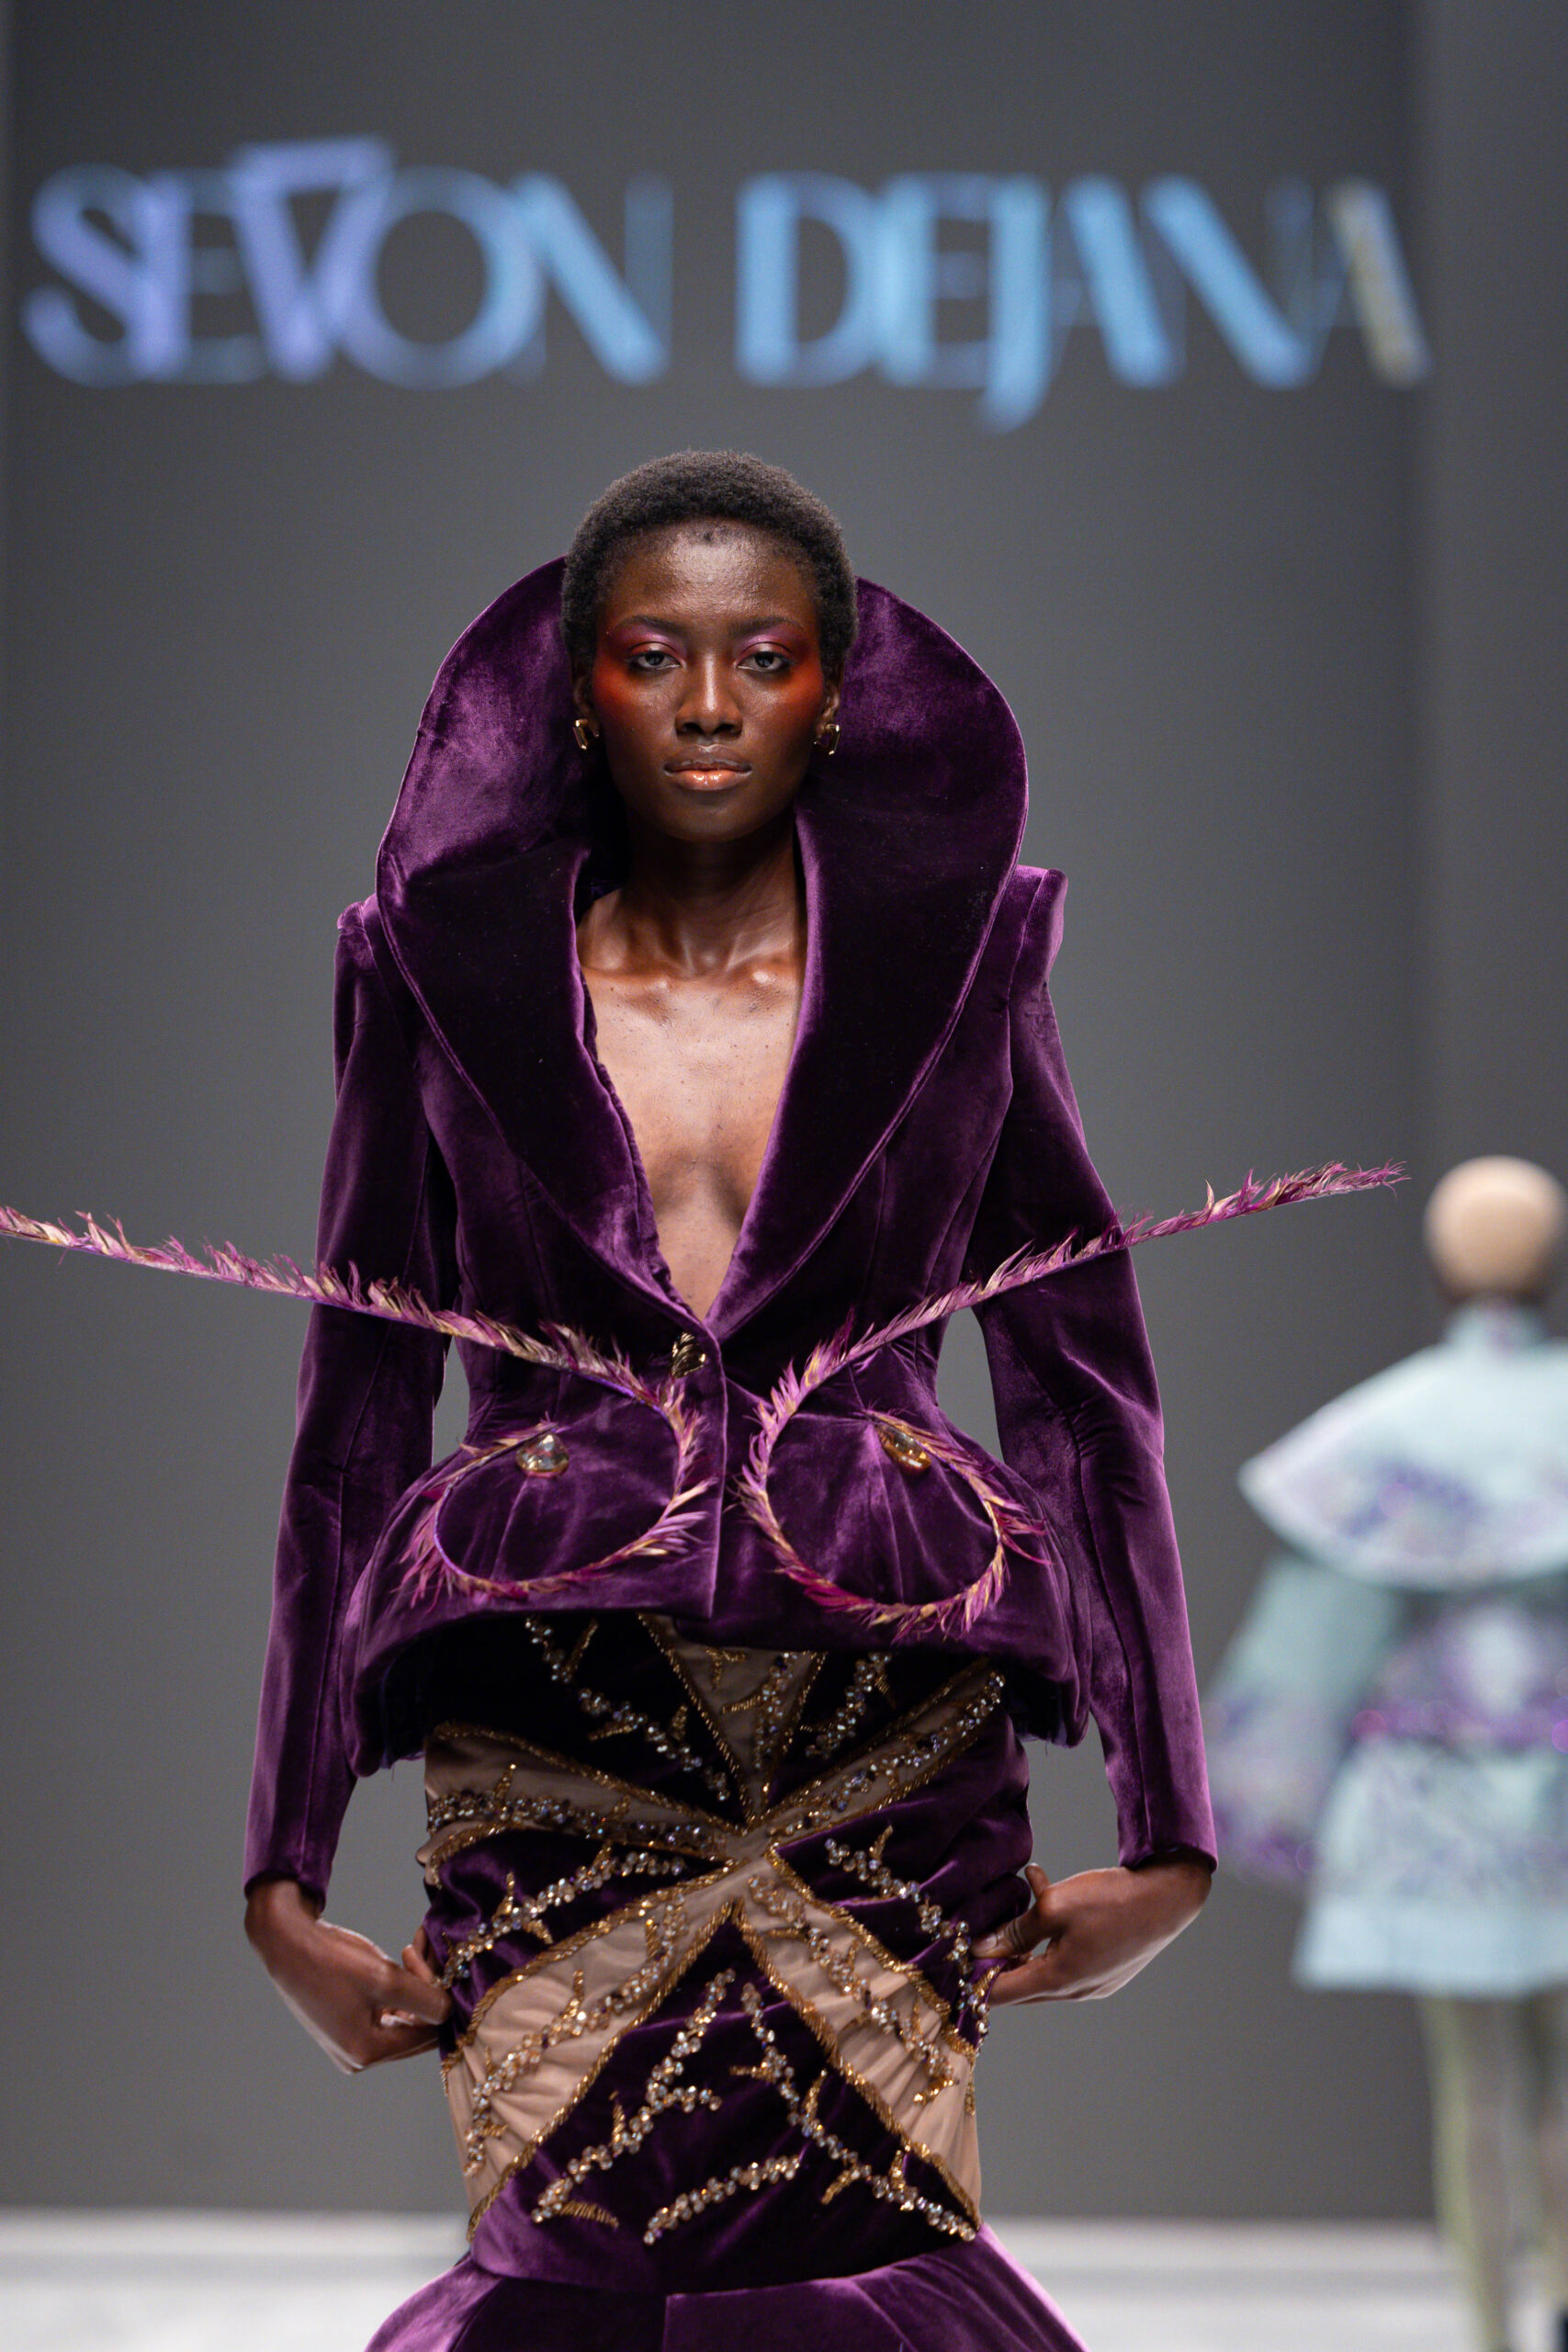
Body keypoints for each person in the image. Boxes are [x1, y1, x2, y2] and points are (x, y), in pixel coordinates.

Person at [241, 450, 1215, 2351]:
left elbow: (1081, 1385)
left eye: (762, 656)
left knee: (853, 2240)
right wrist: (282, 1866)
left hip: (883, 1705)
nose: (706, 702)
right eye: (651, 655)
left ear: (834, 691)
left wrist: (1171, 1825)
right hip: (552, 1706)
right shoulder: (428, 971)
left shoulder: (970, 960)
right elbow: (353, 1408)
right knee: (567, 2243)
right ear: (575, 691)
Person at [1205, 1156, 1568, 2352]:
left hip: (1434, 1794)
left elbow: (1313, 1648)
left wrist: (1258, 1800)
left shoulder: (1390, 1432)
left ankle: (1490, 2332)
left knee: (1476, 2086)